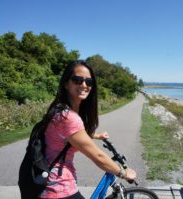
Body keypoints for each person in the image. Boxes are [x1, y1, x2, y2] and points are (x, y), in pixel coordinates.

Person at [23, 60, 136, 198]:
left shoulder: (59, 110)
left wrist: (96, 136)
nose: (84, 85)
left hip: (47, 184)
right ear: (66, 83)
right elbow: (98, 156)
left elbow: (68, 136)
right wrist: (123, 173)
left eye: (89, 82)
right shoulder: (68, 118)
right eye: (77, 80)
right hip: (57, 188)